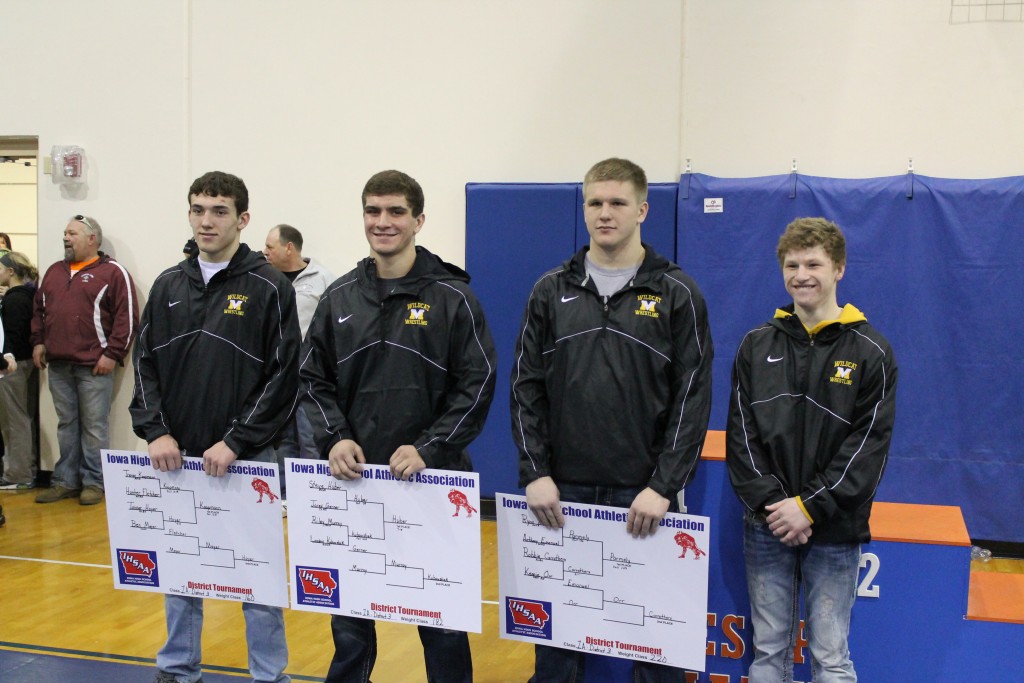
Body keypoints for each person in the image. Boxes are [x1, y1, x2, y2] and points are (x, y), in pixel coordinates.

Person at [510, 158, 714, 683]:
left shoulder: (677, 293)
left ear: (642, 209)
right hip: (563, 492)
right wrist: (535, 473)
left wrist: (664, 485)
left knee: (654, 641)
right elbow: (525, 387)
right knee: (556, 637)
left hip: (643, 495)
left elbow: (693, 398)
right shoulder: (548, 290)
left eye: (617, 203)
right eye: (595, 203)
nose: (605, 213)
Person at [300, 170, 497, 683]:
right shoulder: (340, 297)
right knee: (349, 621)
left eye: (395, 212)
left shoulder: (453, 298)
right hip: (355, 484)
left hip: (432, 484)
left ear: (418, 220)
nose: (382, 222)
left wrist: (430, 448)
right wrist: (334, 437)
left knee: (441, 624)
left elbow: (477, 385)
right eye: (373, 211)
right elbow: (311, 378)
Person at [130, 171, 300, 683]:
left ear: (243, 219)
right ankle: (178, 668)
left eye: (219, 211)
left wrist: (237, 441)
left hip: (247, 458)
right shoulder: (166, 285)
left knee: (258, 579)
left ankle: (270, 676)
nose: (207, 220)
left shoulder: (269, 286)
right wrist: (154, 430)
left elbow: (285, 374)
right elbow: (143, 366)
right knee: (181, 569)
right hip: (176, 456)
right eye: (198, 209)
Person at [725, 217, 897, 683]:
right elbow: (741, 438)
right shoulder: (756, 345)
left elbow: (868, 449)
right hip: (768, 525)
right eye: (792, 264)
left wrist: (809, 507)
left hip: (835, 528)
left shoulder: (870, 351)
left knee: (830, 657)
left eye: (814, 263)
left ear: (839, 268)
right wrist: (775, 506)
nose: (802, 274)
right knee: (767, 654)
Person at [32, 214, 139, 506]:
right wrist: (38, 342)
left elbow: (126, 318)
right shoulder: (54, 271)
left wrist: (112, 354)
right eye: (65, 233)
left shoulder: (113, 273)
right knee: (66, 424)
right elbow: (38, 311)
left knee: (94, 426)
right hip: (58, 364)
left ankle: (94, 482)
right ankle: (65, 480)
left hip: (94, 366)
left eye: (72, 233)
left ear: (93, 239)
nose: (66, 238)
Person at [263, 224, 334, 485]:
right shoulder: (265, 280)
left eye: (270, 247)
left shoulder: (323, 279)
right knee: (282, 444)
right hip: (276, 379)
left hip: (309, 378)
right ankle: (283, 500)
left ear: (289, 247)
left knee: (312, 441)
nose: (265, 252)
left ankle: (318, 497)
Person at [0, 252, 40, 490]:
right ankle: (26, 469)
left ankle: (18, 473)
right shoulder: (28, 297)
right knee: (23, 418)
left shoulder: (13, 301)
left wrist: (6, 361)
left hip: (13, 366)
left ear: (10, 271)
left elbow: (11, 338)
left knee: (13, 420)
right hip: (26, 364)